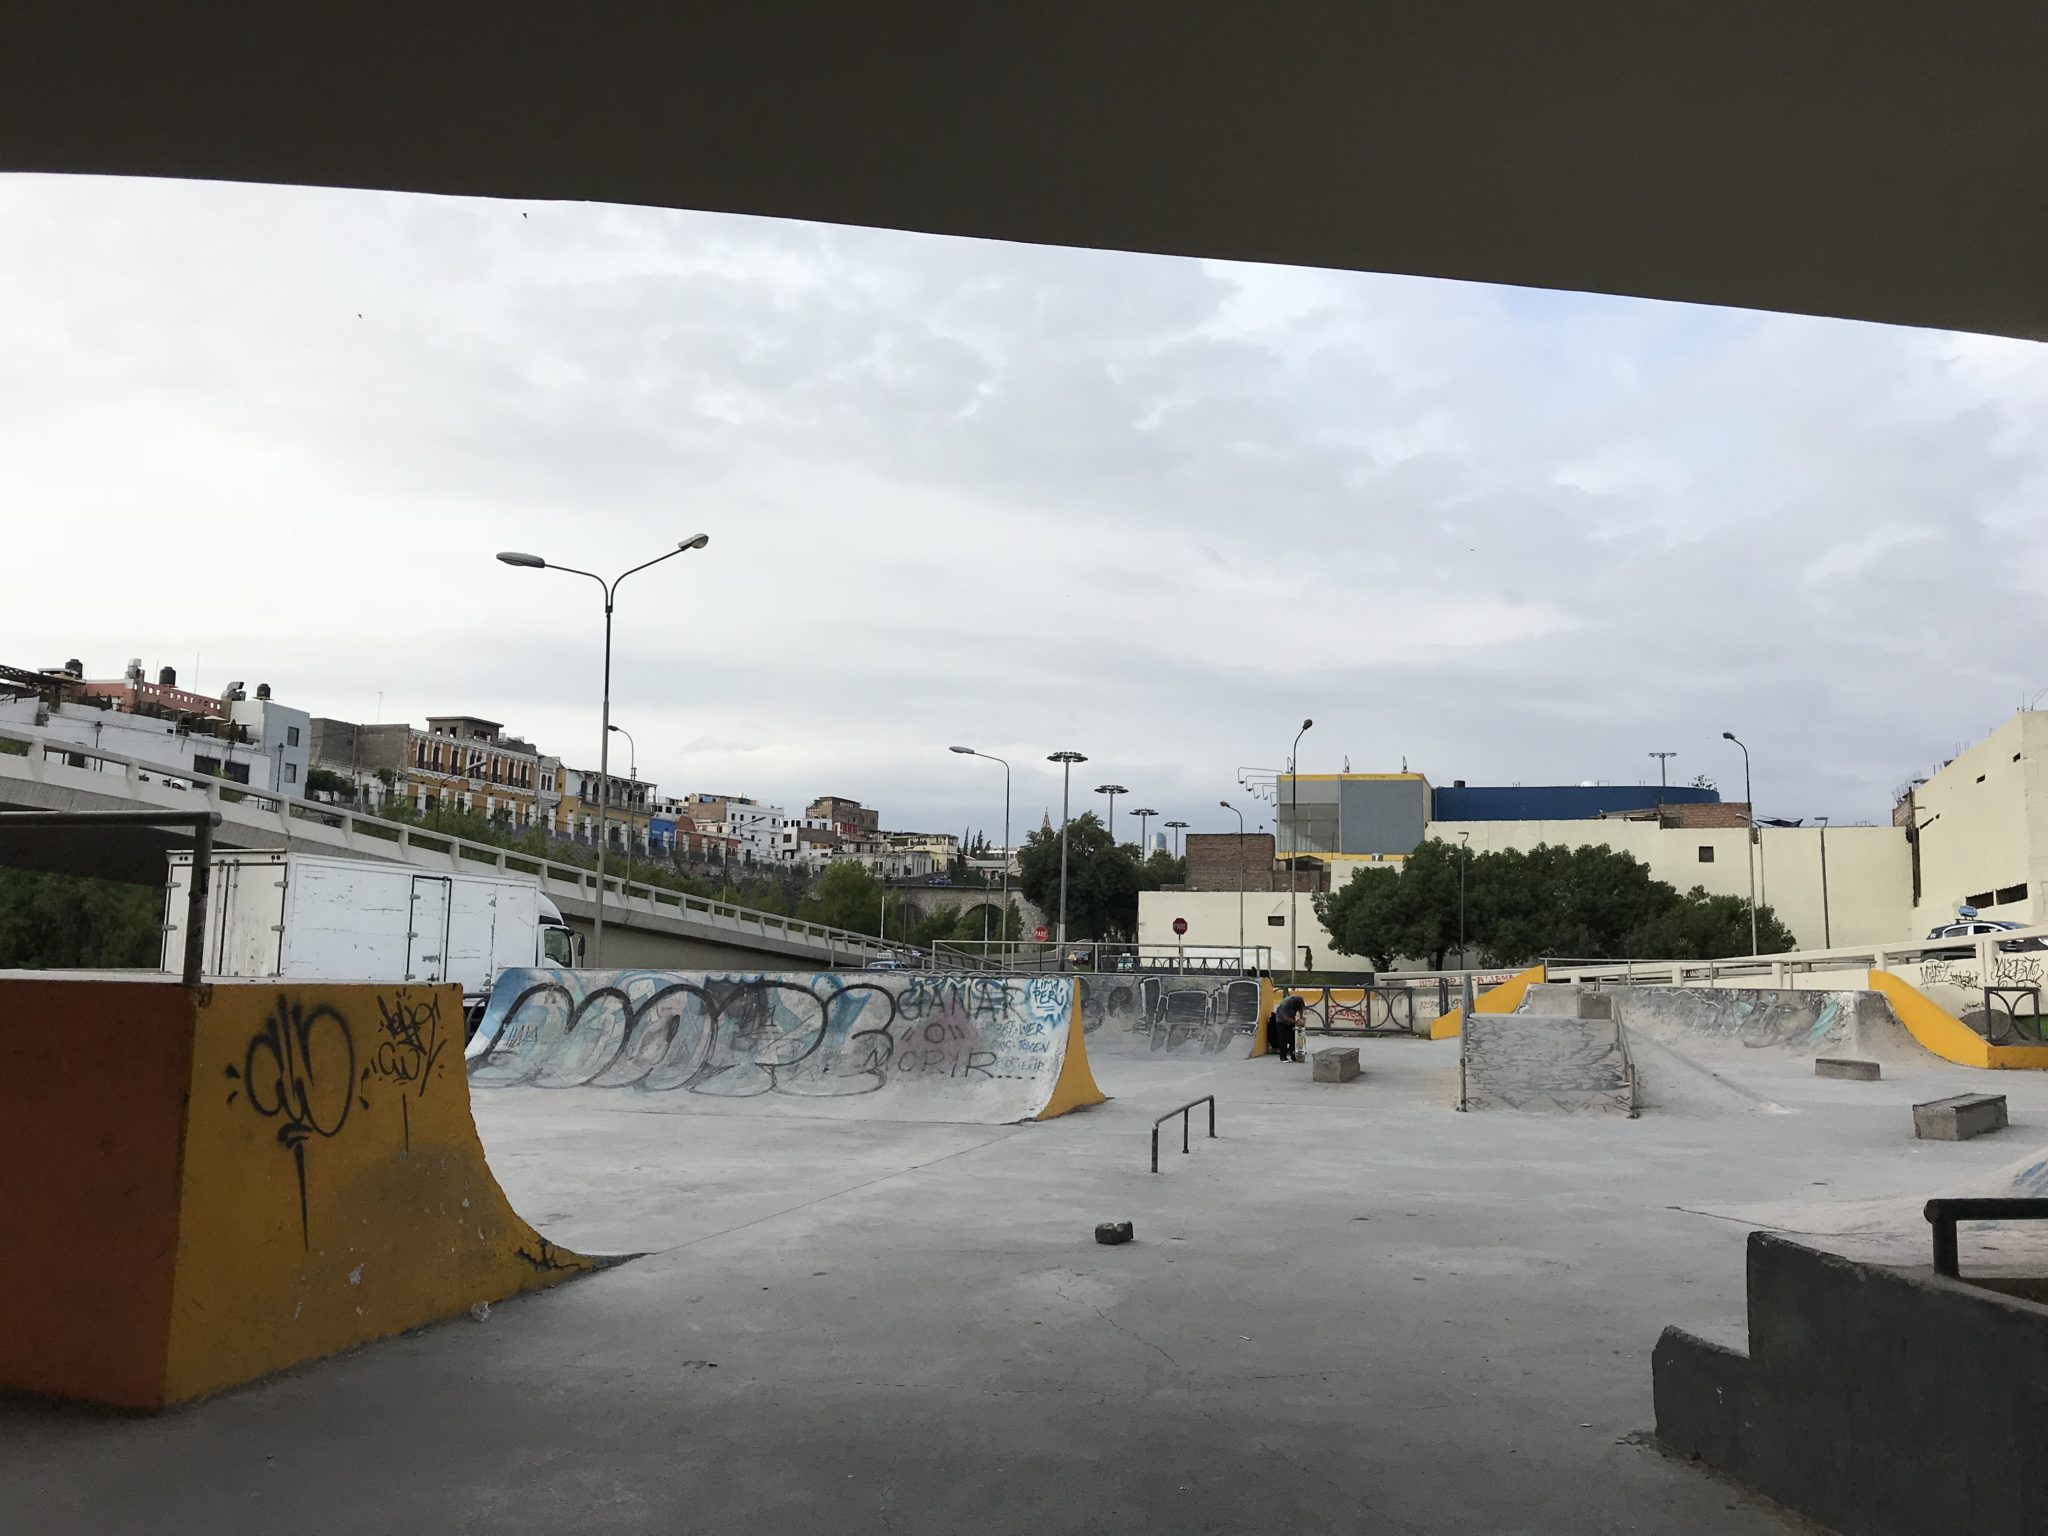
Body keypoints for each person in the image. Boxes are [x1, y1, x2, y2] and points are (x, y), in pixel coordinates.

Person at [1269, 993, 1308, 1062]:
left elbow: (1301, 1008)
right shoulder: (1285, 1004)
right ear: (1292, 1005)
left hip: (1291, 1018)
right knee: (1282, 1038)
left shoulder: (1299, 999)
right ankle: (1283, 1057)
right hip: (1281, 1020)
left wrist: (1301, 1017)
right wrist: (1296, 1022)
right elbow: (1285, 1018)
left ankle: (1293, 1055)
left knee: (1293, 1038)